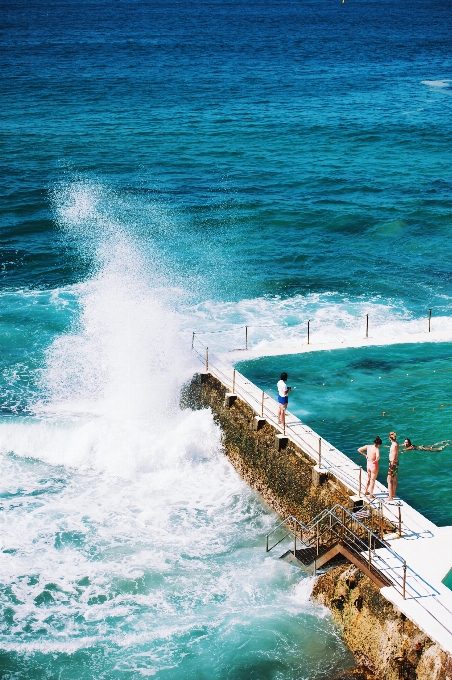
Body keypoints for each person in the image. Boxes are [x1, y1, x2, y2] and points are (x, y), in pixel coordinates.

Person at [387, 432, 400, 503]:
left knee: (389, 479)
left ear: (390, 438)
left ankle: (390, 496)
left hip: (393, 463)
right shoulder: (396, 443)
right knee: (394, 478)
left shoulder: (394, 445)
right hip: (395, 463)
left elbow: (394, 455)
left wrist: (391, 464)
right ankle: (394, 494)